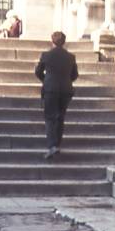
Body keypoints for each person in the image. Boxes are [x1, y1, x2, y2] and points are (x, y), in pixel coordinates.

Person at [35, 31, 78, 159]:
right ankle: (57, 144)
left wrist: (46, 79)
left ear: (52, 41)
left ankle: (52, 145)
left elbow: (38, 72)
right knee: (60, 117)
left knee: (50, 117)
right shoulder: (71, 57)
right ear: (64, 42)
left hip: (50, 89)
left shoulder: (46, 55)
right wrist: (66, 80)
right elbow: (75, 75)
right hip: (65, 90)